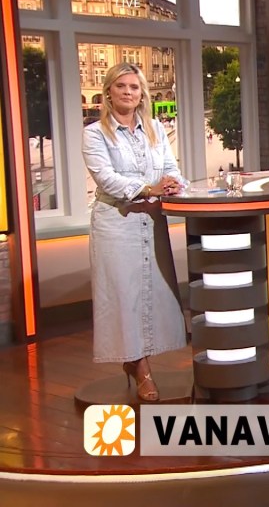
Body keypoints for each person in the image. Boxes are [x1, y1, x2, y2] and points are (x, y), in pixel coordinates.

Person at [82, 63, 187, 402]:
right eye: (121, 86)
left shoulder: (155, 129)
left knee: (152, 293)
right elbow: (105, 177)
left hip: (151, 221)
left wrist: (173, 184)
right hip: (116, 222)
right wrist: (147, 188)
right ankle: (140, 369)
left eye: (134, 87)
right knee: (124, 296)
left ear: (142, 94)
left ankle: (136, 360)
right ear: (108, 92)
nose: (128, 92)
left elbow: (170, 167)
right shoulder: (95, 134)